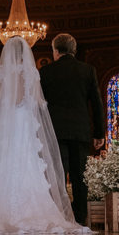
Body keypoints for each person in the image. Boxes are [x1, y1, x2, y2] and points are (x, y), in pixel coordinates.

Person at [0, 37, 92, 235]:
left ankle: (3, 211)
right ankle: (34, 209)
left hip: (8, 121)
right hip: (25, 121)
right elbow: (39, 101)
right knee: (29, 161)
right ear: (25, 54)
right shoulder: (31, 72)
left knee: (6, 161)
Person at [38, 33, 105, 224]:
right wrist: (99, 132)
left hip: (55, 132)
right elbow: (97, 104)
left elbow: (40, 104)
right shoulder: (88, 70)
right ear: (73, 50)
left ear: (55, 51)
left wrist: (39, 131)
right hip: (80, 131)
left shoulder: (46, 71)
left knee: (58, 174)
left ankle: (59, 215)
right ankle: (81, 217)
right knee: (80, 176)